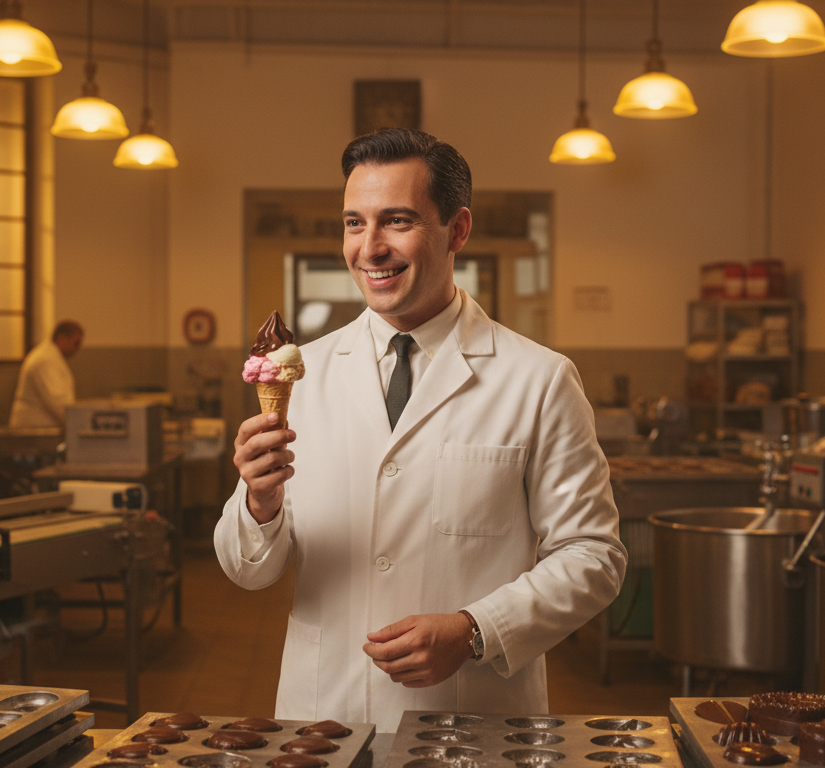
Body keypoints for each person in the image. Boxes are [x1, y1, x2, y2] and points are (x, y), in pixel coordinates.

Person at [215, 128, 625, 731]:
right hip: (325, 718)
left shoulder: (539, 380)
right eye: (355, 223)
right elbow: (248, 570)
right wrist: (259, 501)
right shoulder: (304, 372)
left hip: (471, 720)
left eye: (397, 221)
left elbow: (594, 555)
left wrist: (476, 630)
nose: (370, 247)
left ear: (457, 230)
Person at [9, 321, 84, 428]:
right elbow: (57, 401)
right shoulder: (46, 360)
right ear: (62, 338)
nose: (78, 348)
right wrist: (76, 424)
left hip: (40, 427)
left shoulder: (50, 356)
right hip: (36, 428)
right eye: (76, 343)